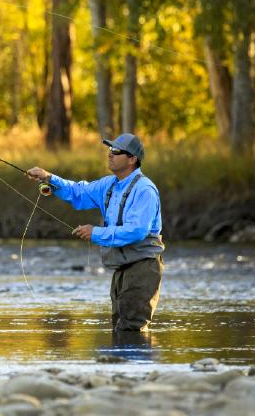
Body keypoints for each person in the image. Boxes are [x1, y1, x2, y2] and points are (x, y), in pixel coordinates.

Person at [26, 133, 165, 333]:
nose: (110, 154)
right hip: (122, 267)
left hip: (143, 267)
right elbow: (78, 192)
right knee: (119, 326)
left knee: (131, 328)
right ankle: (117, 363)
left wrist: (96, 233)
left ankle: (135, 364)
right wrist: (48, 177)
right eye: (110, 150)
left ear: (132, 159)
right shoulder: (109, 185)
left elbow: (137, 231)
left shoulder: (145, 190)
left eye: (116, 151)